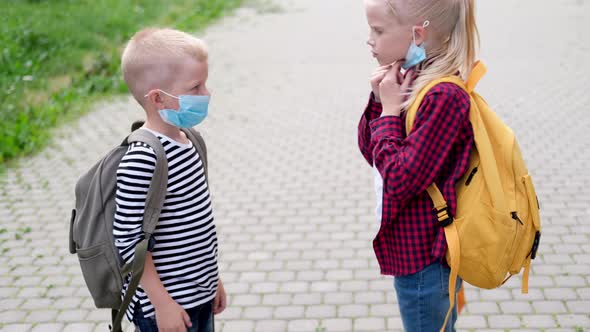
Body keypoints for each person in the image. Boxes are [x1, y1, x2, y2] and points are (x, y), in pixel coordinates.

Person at [358, 0, 478, 330]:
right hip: (412, 251)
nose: (369, 39)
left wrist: (390, 114)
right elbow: (373, 154)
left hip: (426, 258)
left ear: (418, 34)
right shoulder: (412, 78)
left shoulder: (443, 96)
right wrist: (381, 102)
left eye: (378, 30)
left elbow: (398, 180)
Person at [113, 27, 226, 332]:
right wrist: (162, 304)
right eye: (195, 87)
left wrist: (212, 279)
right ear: (158, 98)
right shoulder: (143, 158)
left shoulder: (190, 141)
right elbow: (128, 241)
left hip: (197, 295)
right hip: (164, 308)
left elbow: (195, 224)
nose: (207, 94)